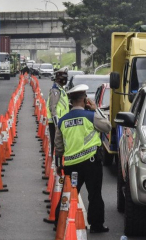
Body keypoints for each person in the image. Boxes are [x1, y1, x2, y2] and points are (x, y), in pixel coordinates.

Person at [54, 84, 111, 233]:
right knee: (94, 195)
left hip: (71, 165)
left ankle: (59, 221)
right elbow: (107, 127)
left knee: (68, 193)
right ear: (85, 99)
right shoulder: (91, 116)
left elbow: (58, 146)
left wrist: (59, 165)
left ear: (71, 101)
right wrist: (96, 110)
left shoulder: (63, 121)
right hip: (91, 164)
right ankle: (96, 225)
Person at [47, 67, 69, 158]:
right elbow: (53, 107)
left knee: (60, 143)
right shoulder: (55, 90)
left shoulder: (60, 89)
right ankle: (55, 163)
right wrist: (57, 125)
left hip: (61, 122)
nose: (66, 79)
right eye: (65, 77)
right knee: (56, 143)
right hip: (56, 123)